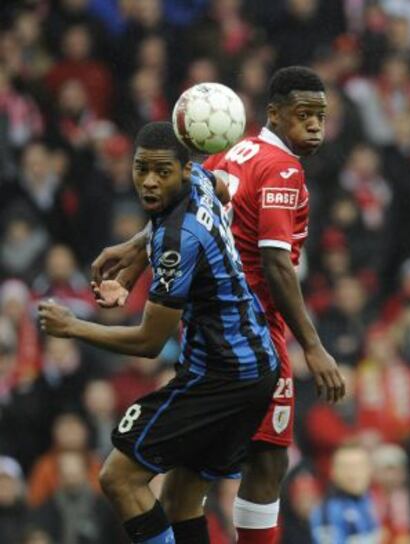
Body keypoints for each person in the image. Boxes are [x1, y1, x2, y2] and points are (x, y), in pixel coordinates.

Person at [91, 66, 346, 543]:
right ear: (275, 114)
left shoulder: (235, 149)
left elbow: (187, 209)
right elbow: (275, 264)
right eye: (304, 115)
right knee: (268, 459)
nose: (315, 125)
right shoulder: (282, 168)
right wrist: (313, 346)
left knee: (188, 482)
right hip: (252, 333)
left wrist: (133, 249)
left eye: (321, 116)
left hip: (207, 331)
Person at [38, 121, 280, 544]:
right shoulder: (201, 179)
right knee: (182, 498)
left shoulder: (174, 242)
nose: (149, 182)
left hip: (220, 377)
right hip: (253, 369)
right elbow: (224, 187)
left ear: (183, 171)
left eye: (162, 172)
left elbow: (149, 344)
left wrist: (72, 326)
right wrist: (134, 250)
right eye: (141, 169)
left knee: (119, 477)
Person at [310, 444, 380, 543]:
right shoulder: (326, 511)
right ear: (333, 472)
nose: (353, 473)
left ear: (370, 469)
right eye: (346, 467)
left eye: (358, 466)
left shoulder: (375, 499)